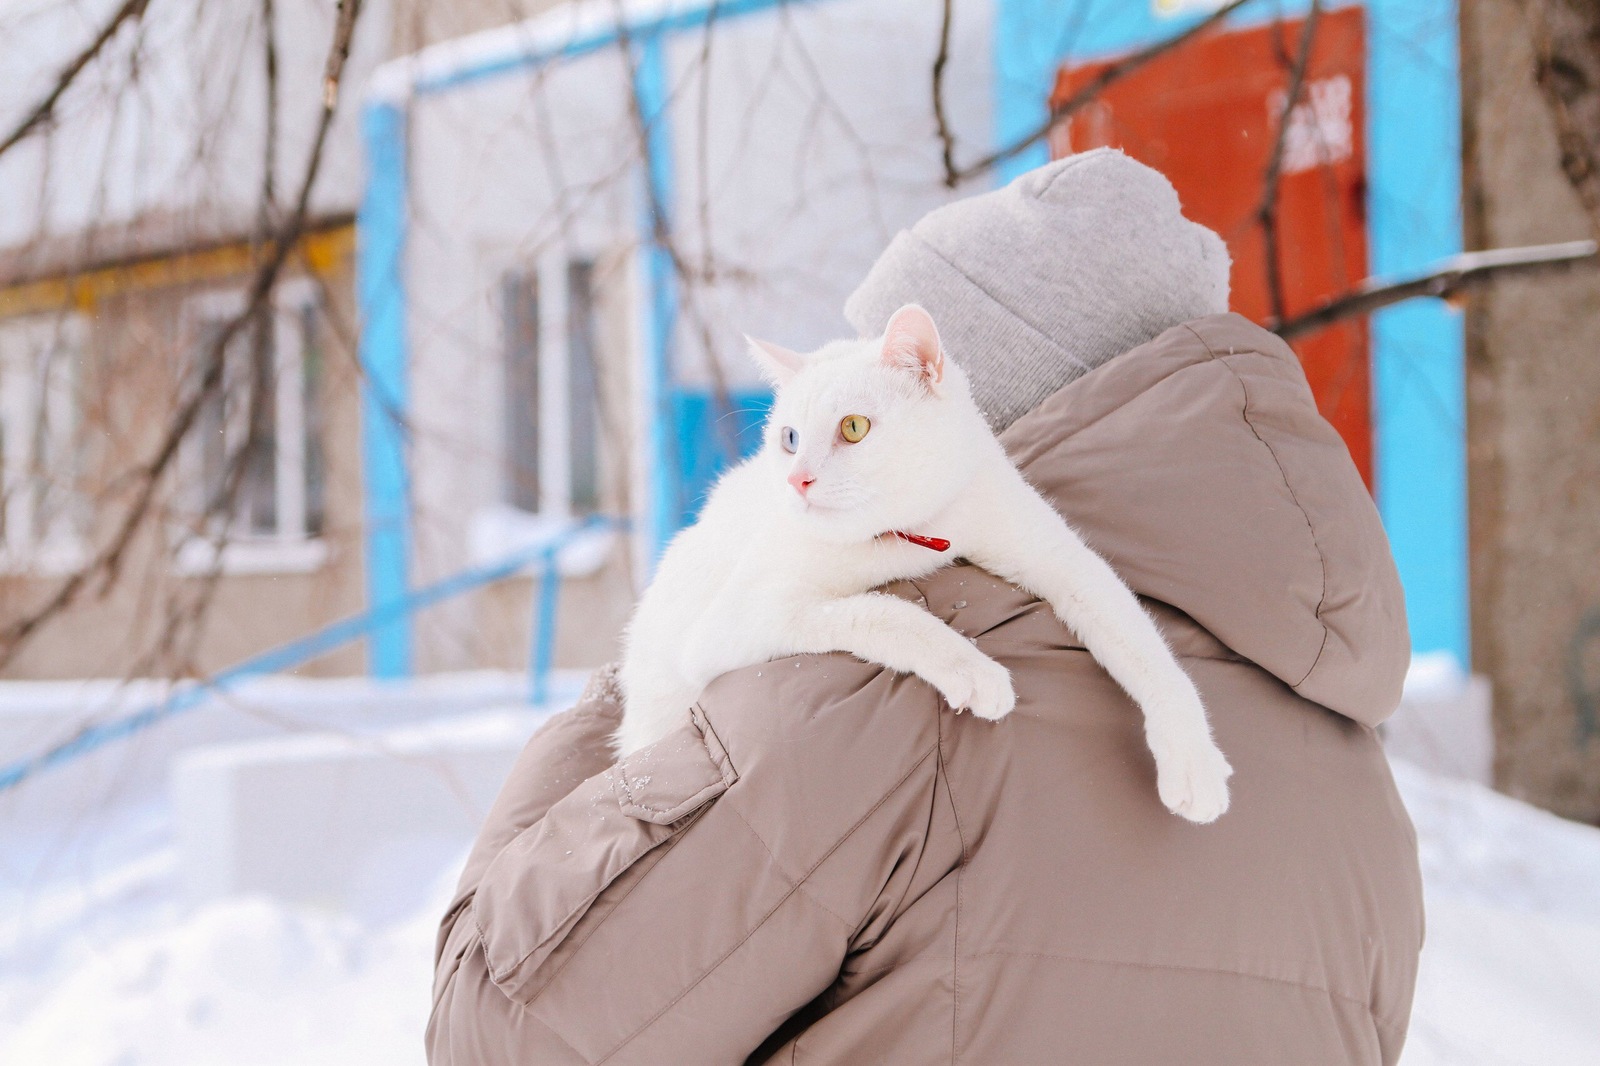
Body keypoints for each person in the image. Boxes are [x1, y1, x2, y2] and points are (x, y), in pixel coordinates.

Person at [426, 149, 1424, 1065]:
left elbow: (503, 1028)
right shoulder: (1348, 769)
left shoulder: (877, 702)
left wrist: (639, 686)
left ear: (972, 401)